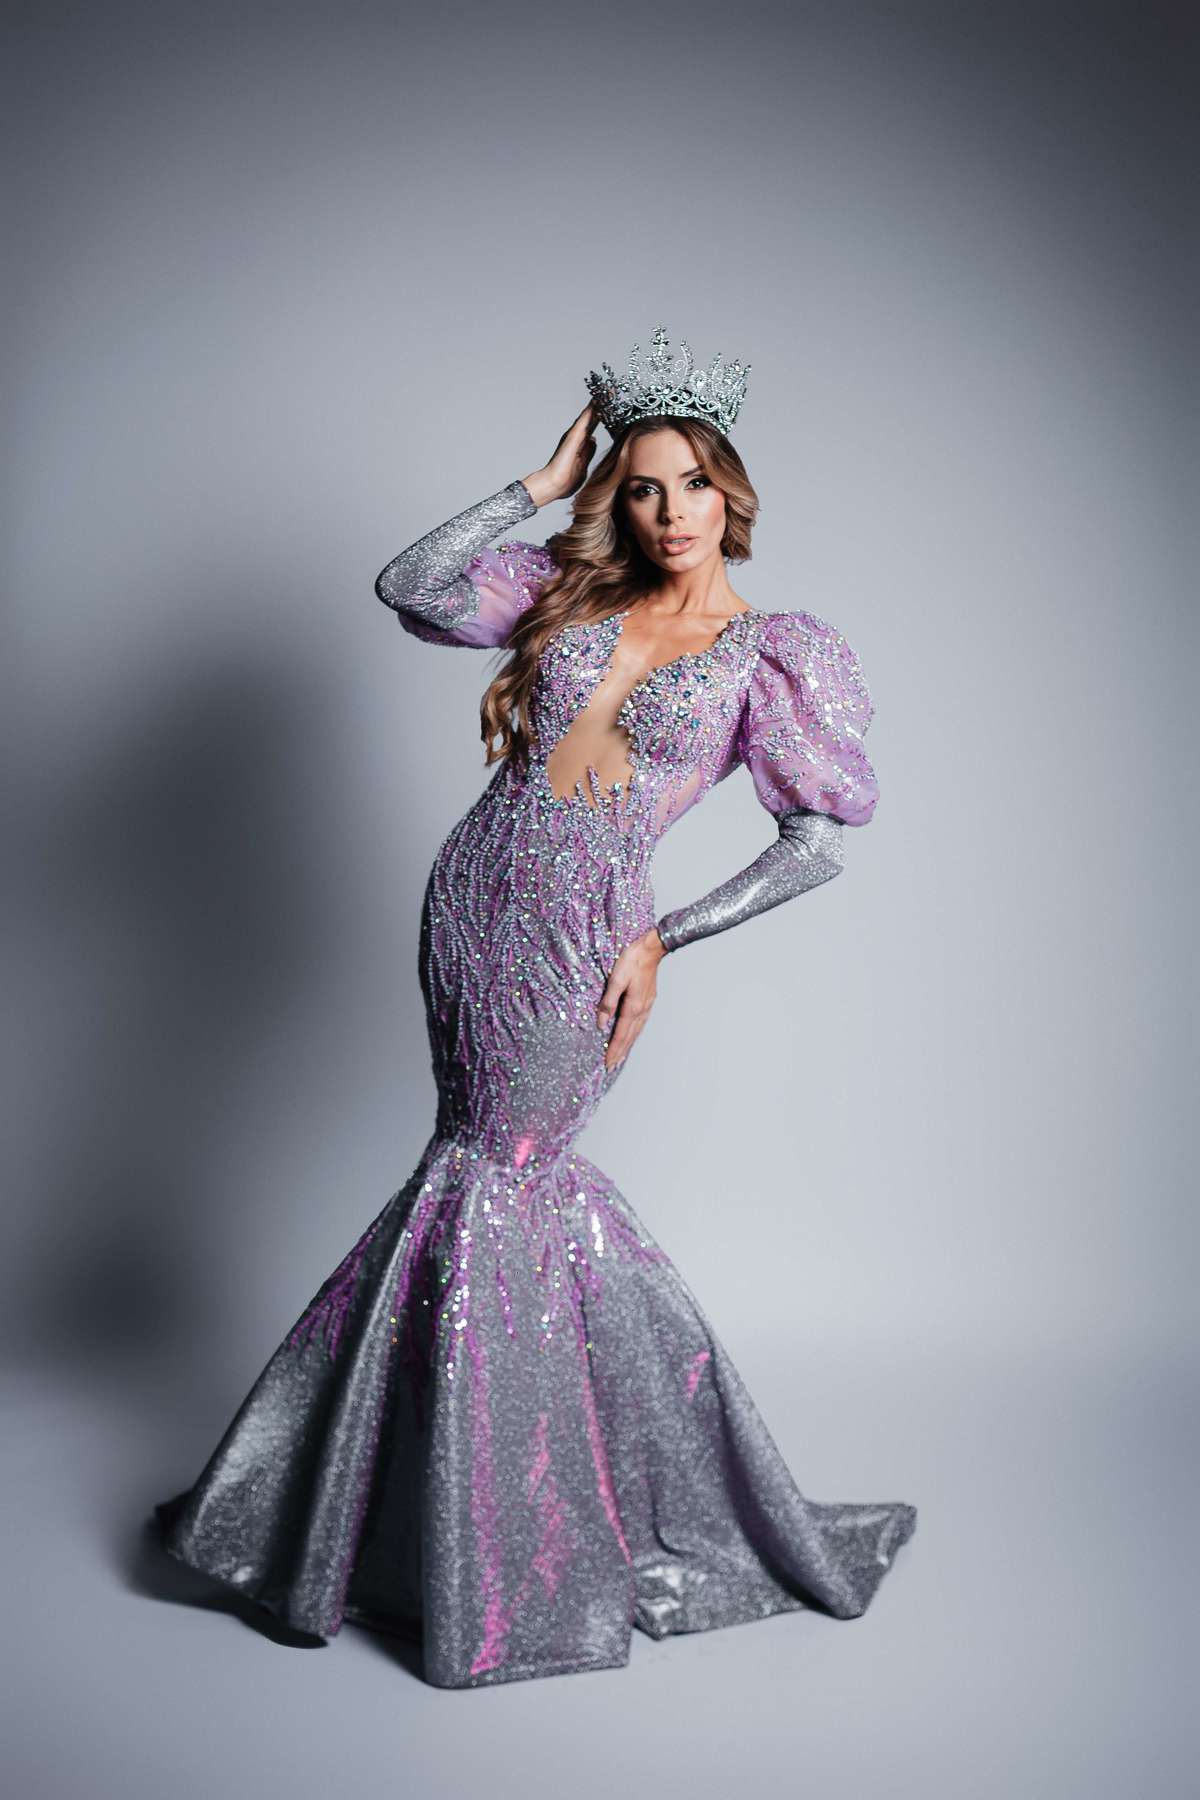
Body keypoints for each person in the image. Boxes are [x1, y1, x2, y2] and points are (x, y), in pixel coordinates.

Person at [153, 327, 916, 1690]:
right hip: (472, 902)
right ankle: (431, 1523)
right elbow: (408, 582)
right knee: (479, 1175)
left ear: (732, 492)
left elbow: (816, 844)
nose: (669, 511)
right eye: (642, 486)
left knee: (500, 1178)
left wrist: (664, 939)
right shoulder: (567, 597)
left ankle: (481, 1543)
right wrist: (537, 483)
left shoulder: (770, 654)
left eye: (692, 484)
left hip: (586, 934)